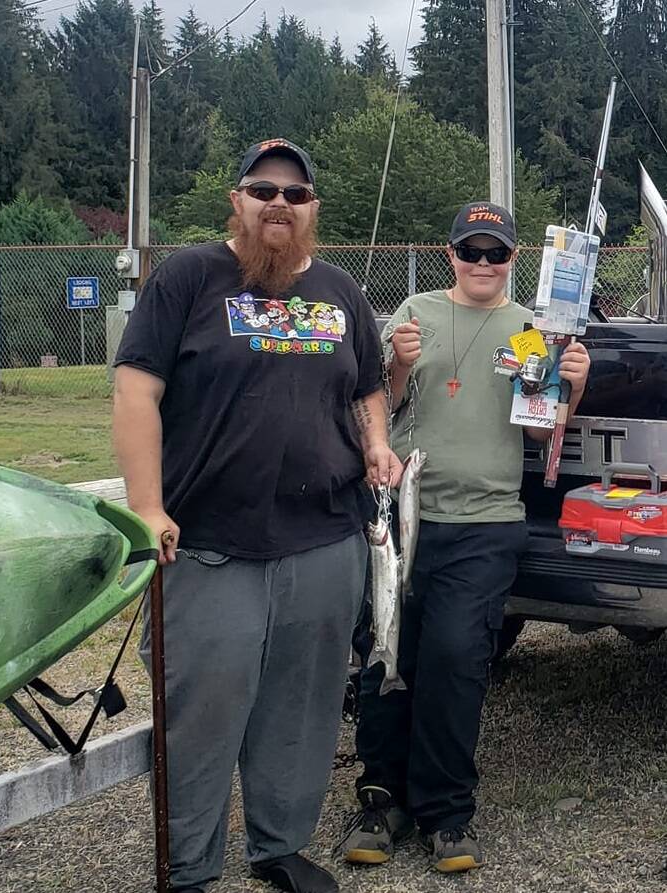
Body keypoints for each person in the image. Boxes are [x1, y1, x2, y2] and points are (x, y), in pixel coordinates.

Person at [112, 138, 402, 893]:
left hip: (325, 538)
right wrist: (145, 507)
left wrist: (376, 444)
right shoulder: (186, 278)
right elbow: (135, 391)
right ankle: (188, 866)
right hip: (209, 542)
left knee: (301, 709)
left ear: (312, 211)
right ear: (235, 202)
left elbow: (367, 386)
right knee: (201, 714)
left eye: (294, 194)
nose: (279, 202)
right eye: (262, 189)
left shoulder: (339, 291)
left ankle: (278, 845)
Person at [337, 201, 591, 872]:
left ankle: (447, 812)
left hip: (484, 524)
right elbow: (376, 410)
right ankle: (379, 798)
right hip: (400, 519)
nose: (482, 263)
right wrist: (394, 365)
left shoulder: (530, 330)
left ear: (513, 261)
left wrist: (572, 389)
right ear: (449, 254)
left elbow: (540, 431)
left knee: (454, 661)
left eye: (495, 252)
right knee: (386, 651)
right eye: (470, 251)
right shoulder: (412, 312)